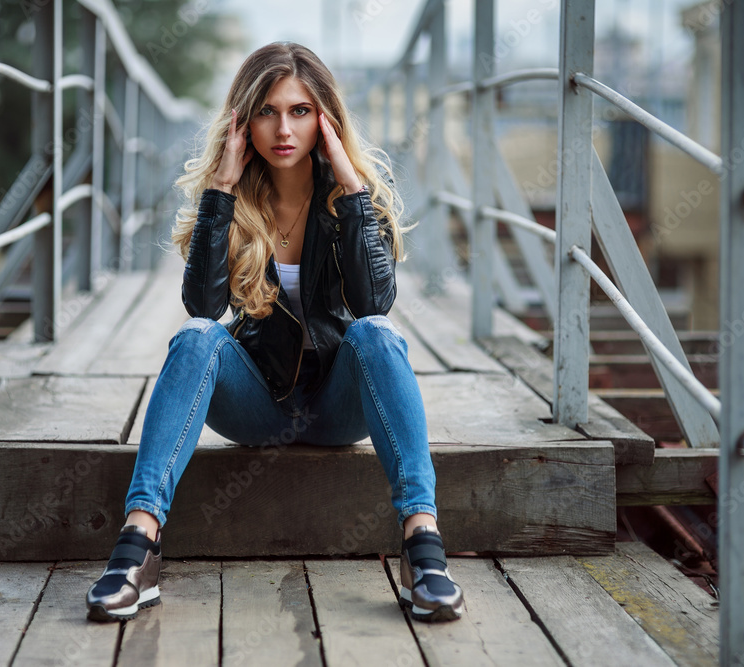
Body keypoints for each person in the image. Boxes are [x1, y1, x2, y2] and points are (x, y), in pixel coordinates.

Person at [85, 42, 465, 624]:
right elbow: (204, 305)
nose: (283, 128)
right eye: (266, 111)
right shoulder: (234, 200)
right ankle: (139, 546)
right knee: (194, 339)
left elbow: (373, 302)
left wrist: (352, 192)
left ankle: (423, 547)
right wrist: (220, 192)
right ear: (243, 121)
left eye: (300, 111)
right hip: (258, 406)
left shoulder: (355, 200)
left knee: (377, 335)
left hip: (339, 410)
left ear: (326, 119)